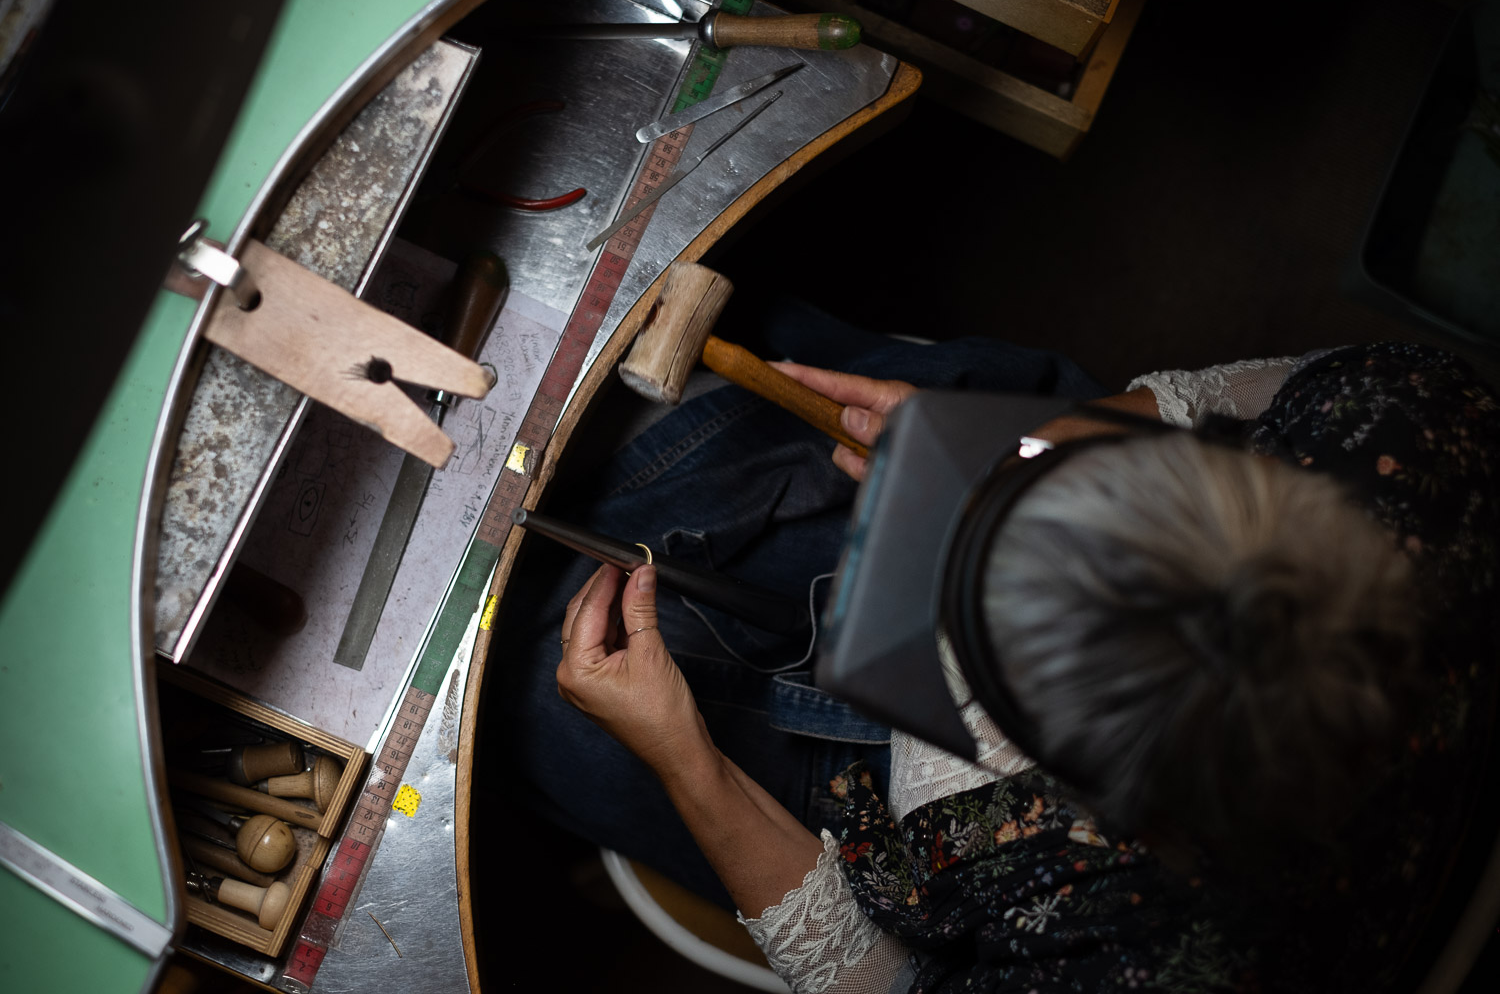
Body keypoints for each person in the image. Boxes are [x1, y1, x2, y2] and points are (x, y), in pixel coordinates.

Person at [487, 322, 1499, 993]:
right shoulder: (1409, 421)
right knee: (728, 390)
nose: (938, 520)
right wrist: (1027, 448)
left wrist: (687, 761)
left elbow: (884, 980)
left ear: (1090, 788)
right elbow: (1219, 400)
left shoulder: (1108, 954)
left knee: (517, 691)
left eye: (979, 640)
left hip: (903, 842)